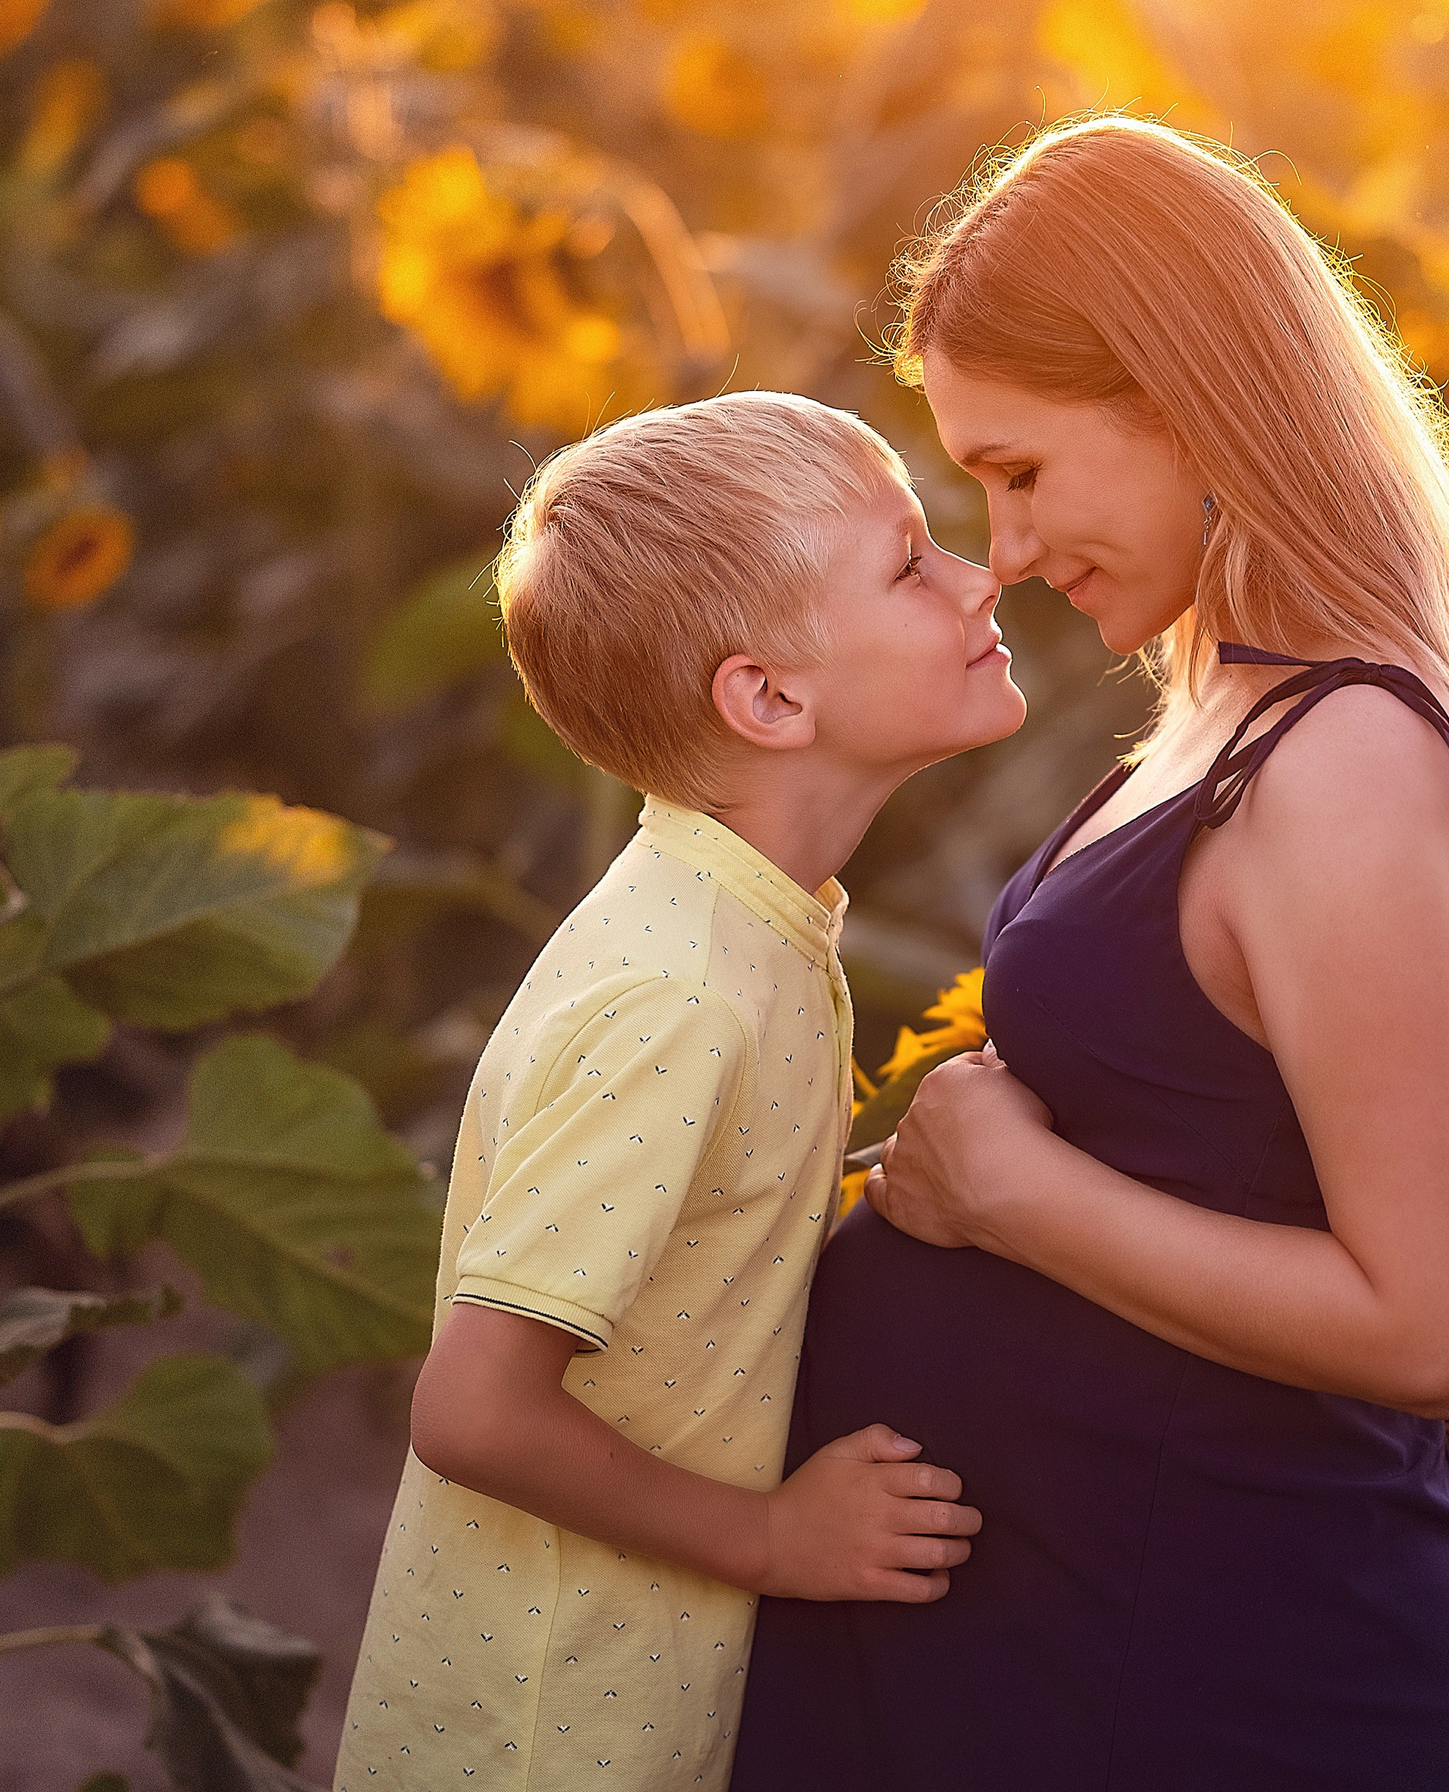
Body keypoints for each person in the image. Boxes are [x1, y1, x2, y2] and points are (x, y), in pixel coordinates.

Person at [732, 118, 1449, 1788]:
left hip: (1255, 1680)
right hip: (1103, 1647)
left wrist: (1012, 1198)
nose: (1004, 551)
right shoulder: (1220, 712)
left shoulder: (1348, 764)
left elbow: (1426, 1326)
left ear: (1185, 398)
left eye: (1018, 472)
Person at [334, 391, 1025, 1792]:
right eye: (909, 562)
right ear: (768, 697)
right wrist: (776, 1538)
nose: (980, 573)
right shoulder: (682, 996)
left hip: (616, 1684)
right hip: (550, 1731)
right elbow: (472, 1409)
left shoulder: (742, 928)